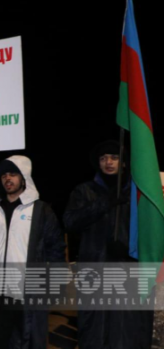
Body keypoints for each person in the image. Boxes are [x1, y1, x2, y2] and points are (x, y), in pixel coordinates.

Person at [63, 141, 153, 348]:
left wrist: (132, 251)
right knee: (95, 326)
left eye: (114, 157)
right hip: (95, 267)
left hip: (129, 269)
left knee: (126, 328)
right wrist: (105, 202)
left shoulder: (137, 192)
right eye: (103, 159)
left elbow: (150, 230)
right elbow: (70, 222)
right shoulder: (84, 190)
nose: (108, 162)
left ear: (123, 163)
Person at [0, 155, 66, 349]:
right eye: (4, 175)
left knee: (26, 341)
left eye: (13, 174)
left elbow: (55, 248)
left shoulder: (41, 210)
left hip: (26, 293)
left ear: (24, 177)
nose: (8, 179)